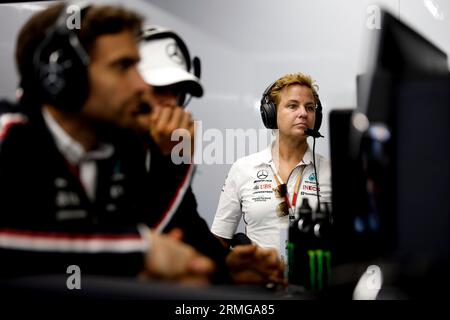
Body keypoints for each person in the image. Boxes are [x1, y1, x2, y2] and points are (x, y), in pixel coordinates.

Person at [0, 3, 214, 284]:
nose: (141, 85)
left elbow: (147, 243)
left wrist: (223, 269)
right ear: (62, 75)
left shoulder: (116, 148)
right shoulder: (9, 135)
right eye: (123, 66)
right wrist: (139, 250)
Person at [136, 26, 285, 285]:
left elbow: (188, 226)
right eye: (160, 90)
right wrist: (175, 161)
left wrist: (226, 263)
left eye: (177, 91)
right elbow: (147, 239)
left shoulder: (157, 150)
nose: (171, 103)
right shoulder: (112, 152)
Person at [211, 73, 332, 255]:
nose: (303, 113)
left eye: (310, 108)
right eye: (292, 106)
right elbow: (220, 240)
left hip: (315, 279)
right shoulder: (243, 169)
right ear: (271, 114)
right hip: (259, 281)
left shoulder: (333, 172)